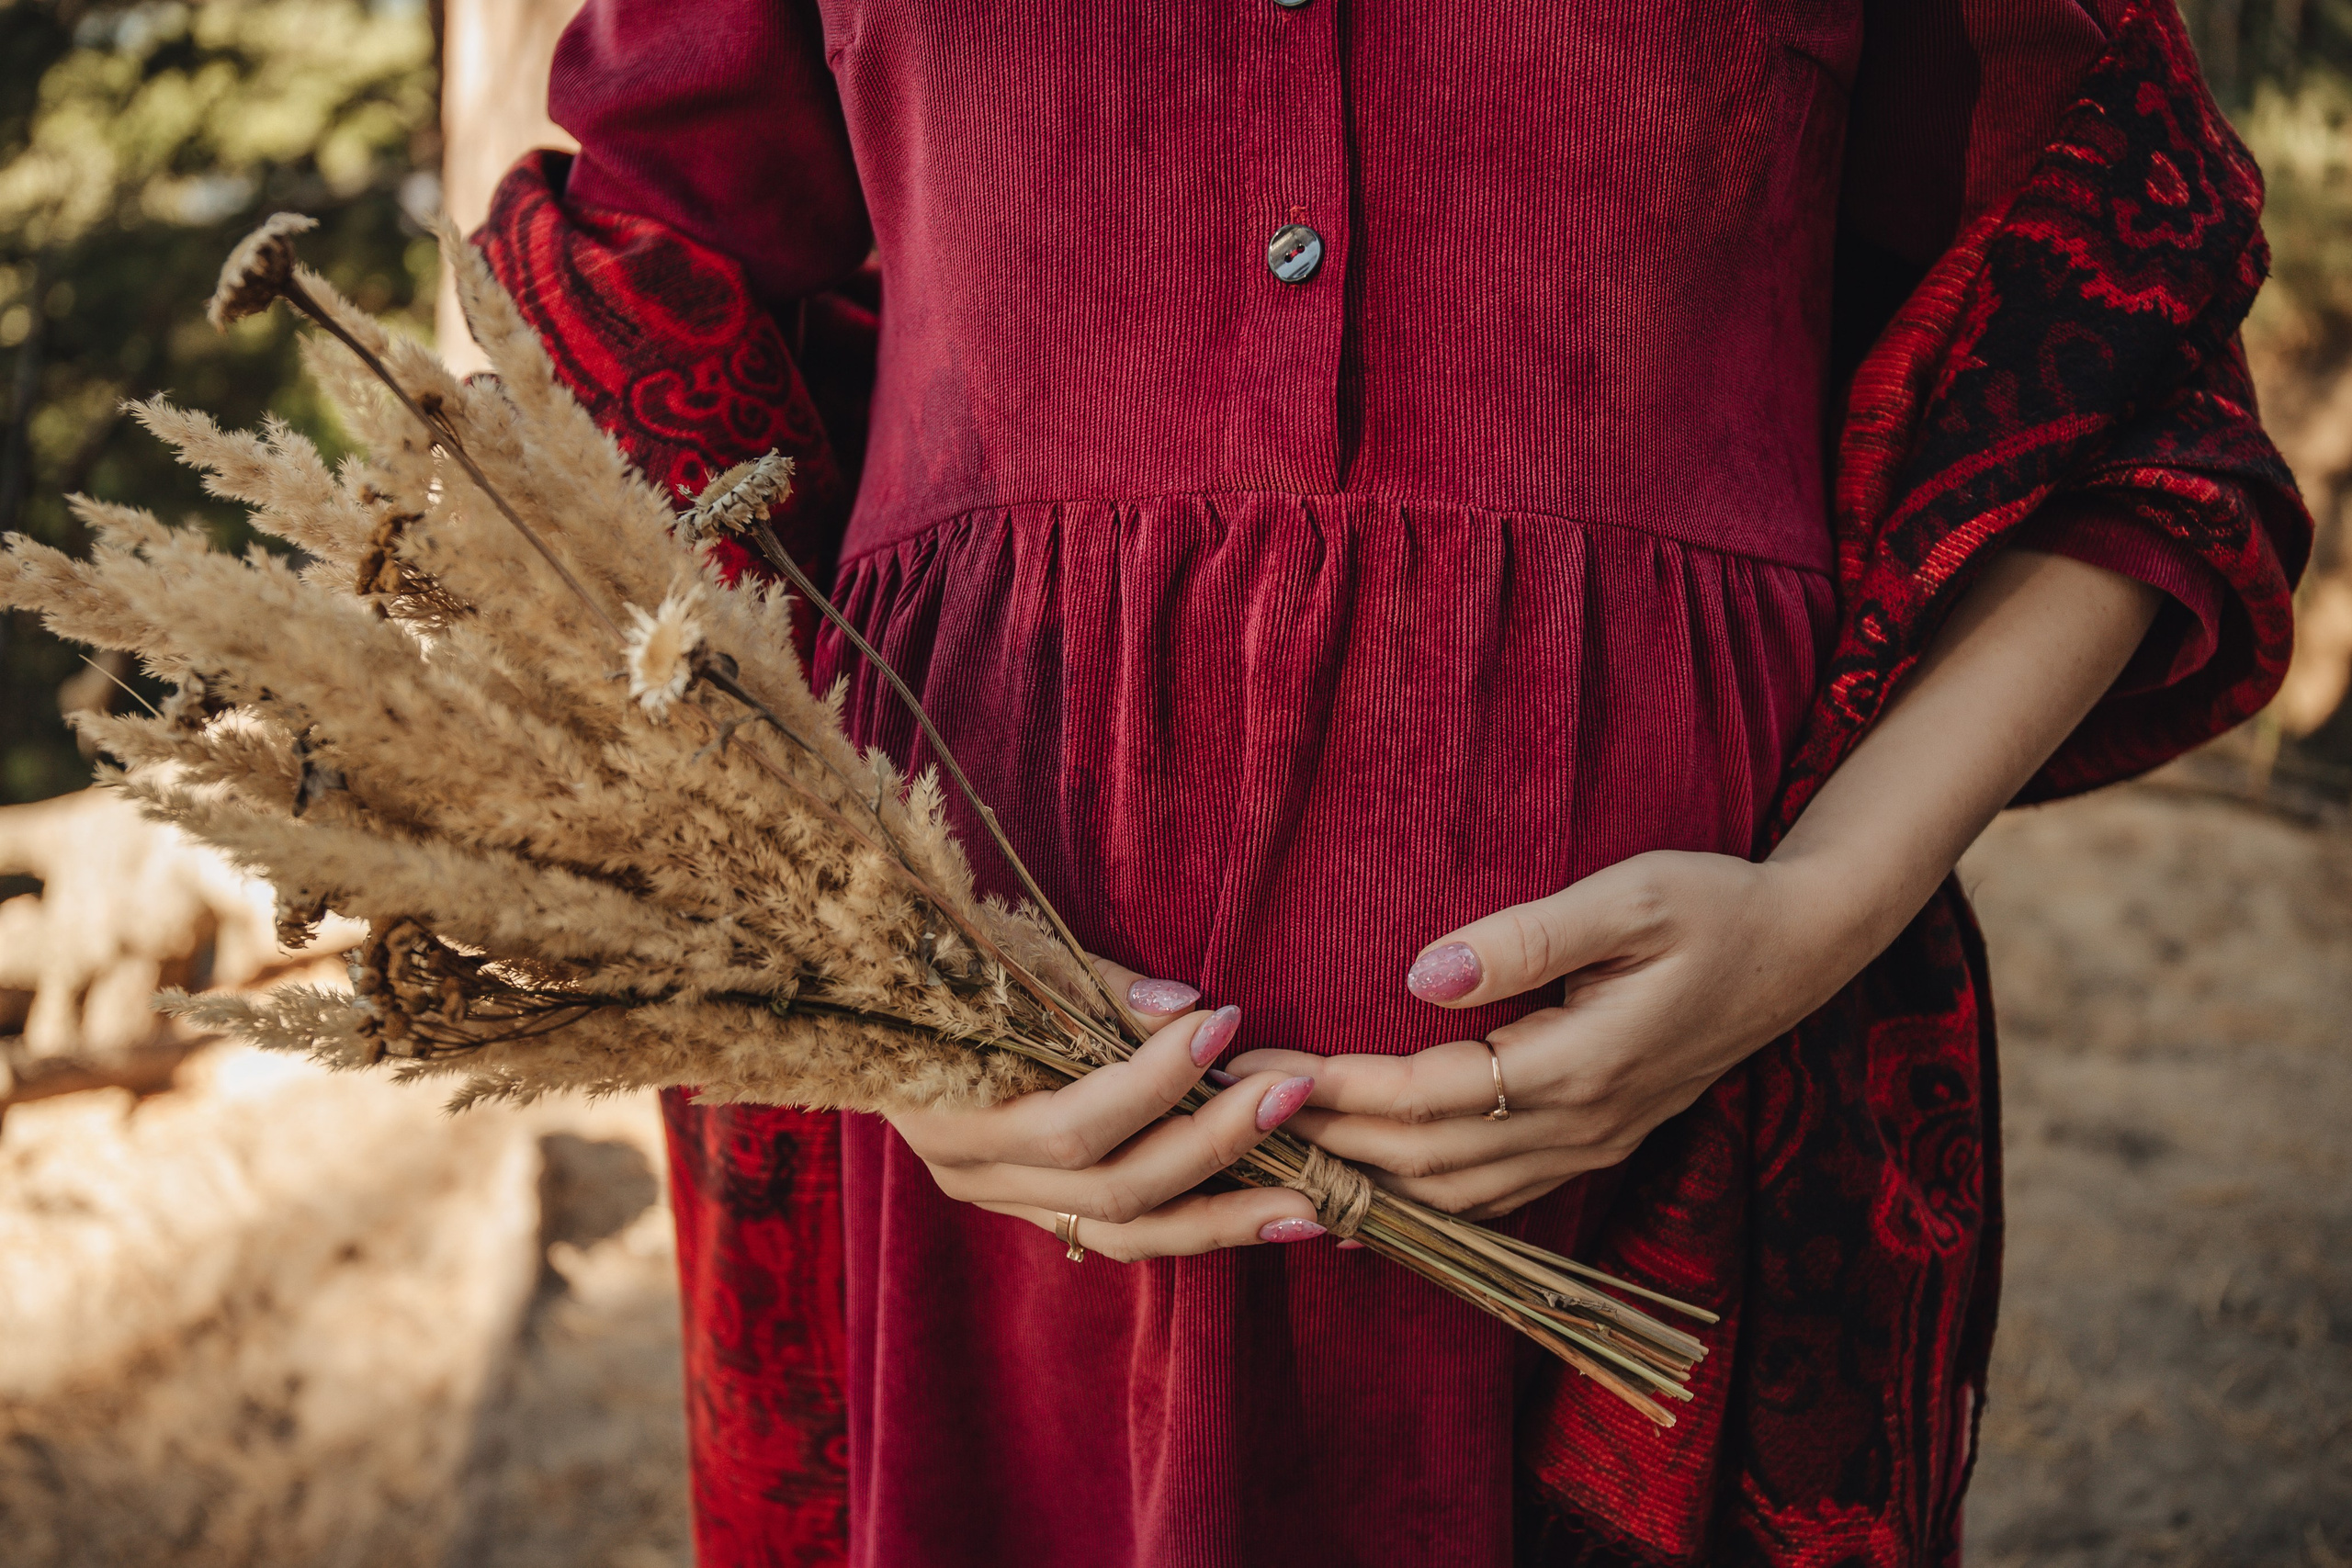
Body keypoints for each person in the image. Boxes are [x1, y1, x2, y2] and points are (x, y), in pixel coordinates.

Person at [472, 2, 2308, 1562]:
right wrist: (859, 998)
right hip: (981, 1190)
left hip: (1688, 1135)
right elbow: (625, 325)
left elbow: (2134, 384)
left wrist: (1822, 908)